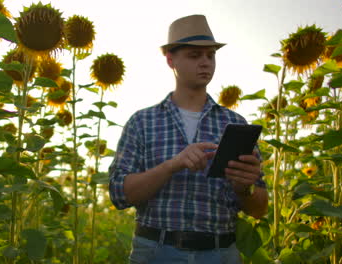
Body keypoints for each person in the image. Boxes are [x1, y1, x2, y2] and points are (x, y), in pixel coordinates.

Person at [108, 14, 268, 264]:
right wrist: (173, 165)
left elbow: (259, 209)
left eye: (210, 55)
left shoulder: (236, 124)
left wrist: (243, 188)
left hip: (220, 252)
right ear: (170, 59)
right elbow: (119, 194)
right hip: (156, 251)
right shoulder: (142, 122)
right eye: (195, 55)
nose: (205, 63)